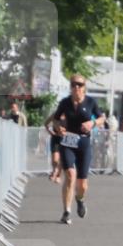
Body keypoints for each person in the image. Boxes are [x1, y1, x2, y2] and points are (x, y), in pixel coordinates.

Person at [45, 74, 104, 224]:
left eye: (79, 84)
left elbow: (102, 118)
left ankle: (80, 199)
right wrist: (58, 128)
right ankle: (66, 211)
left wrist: (92, 124)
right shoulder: (65, 102)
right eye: (73, 84)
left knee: (82, 184)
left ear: (84, 87)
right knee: (70, 175)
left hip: (83, 143)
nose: (76, 87)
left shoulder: (91, 102)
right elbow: (56, 119)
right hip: (67, 142)